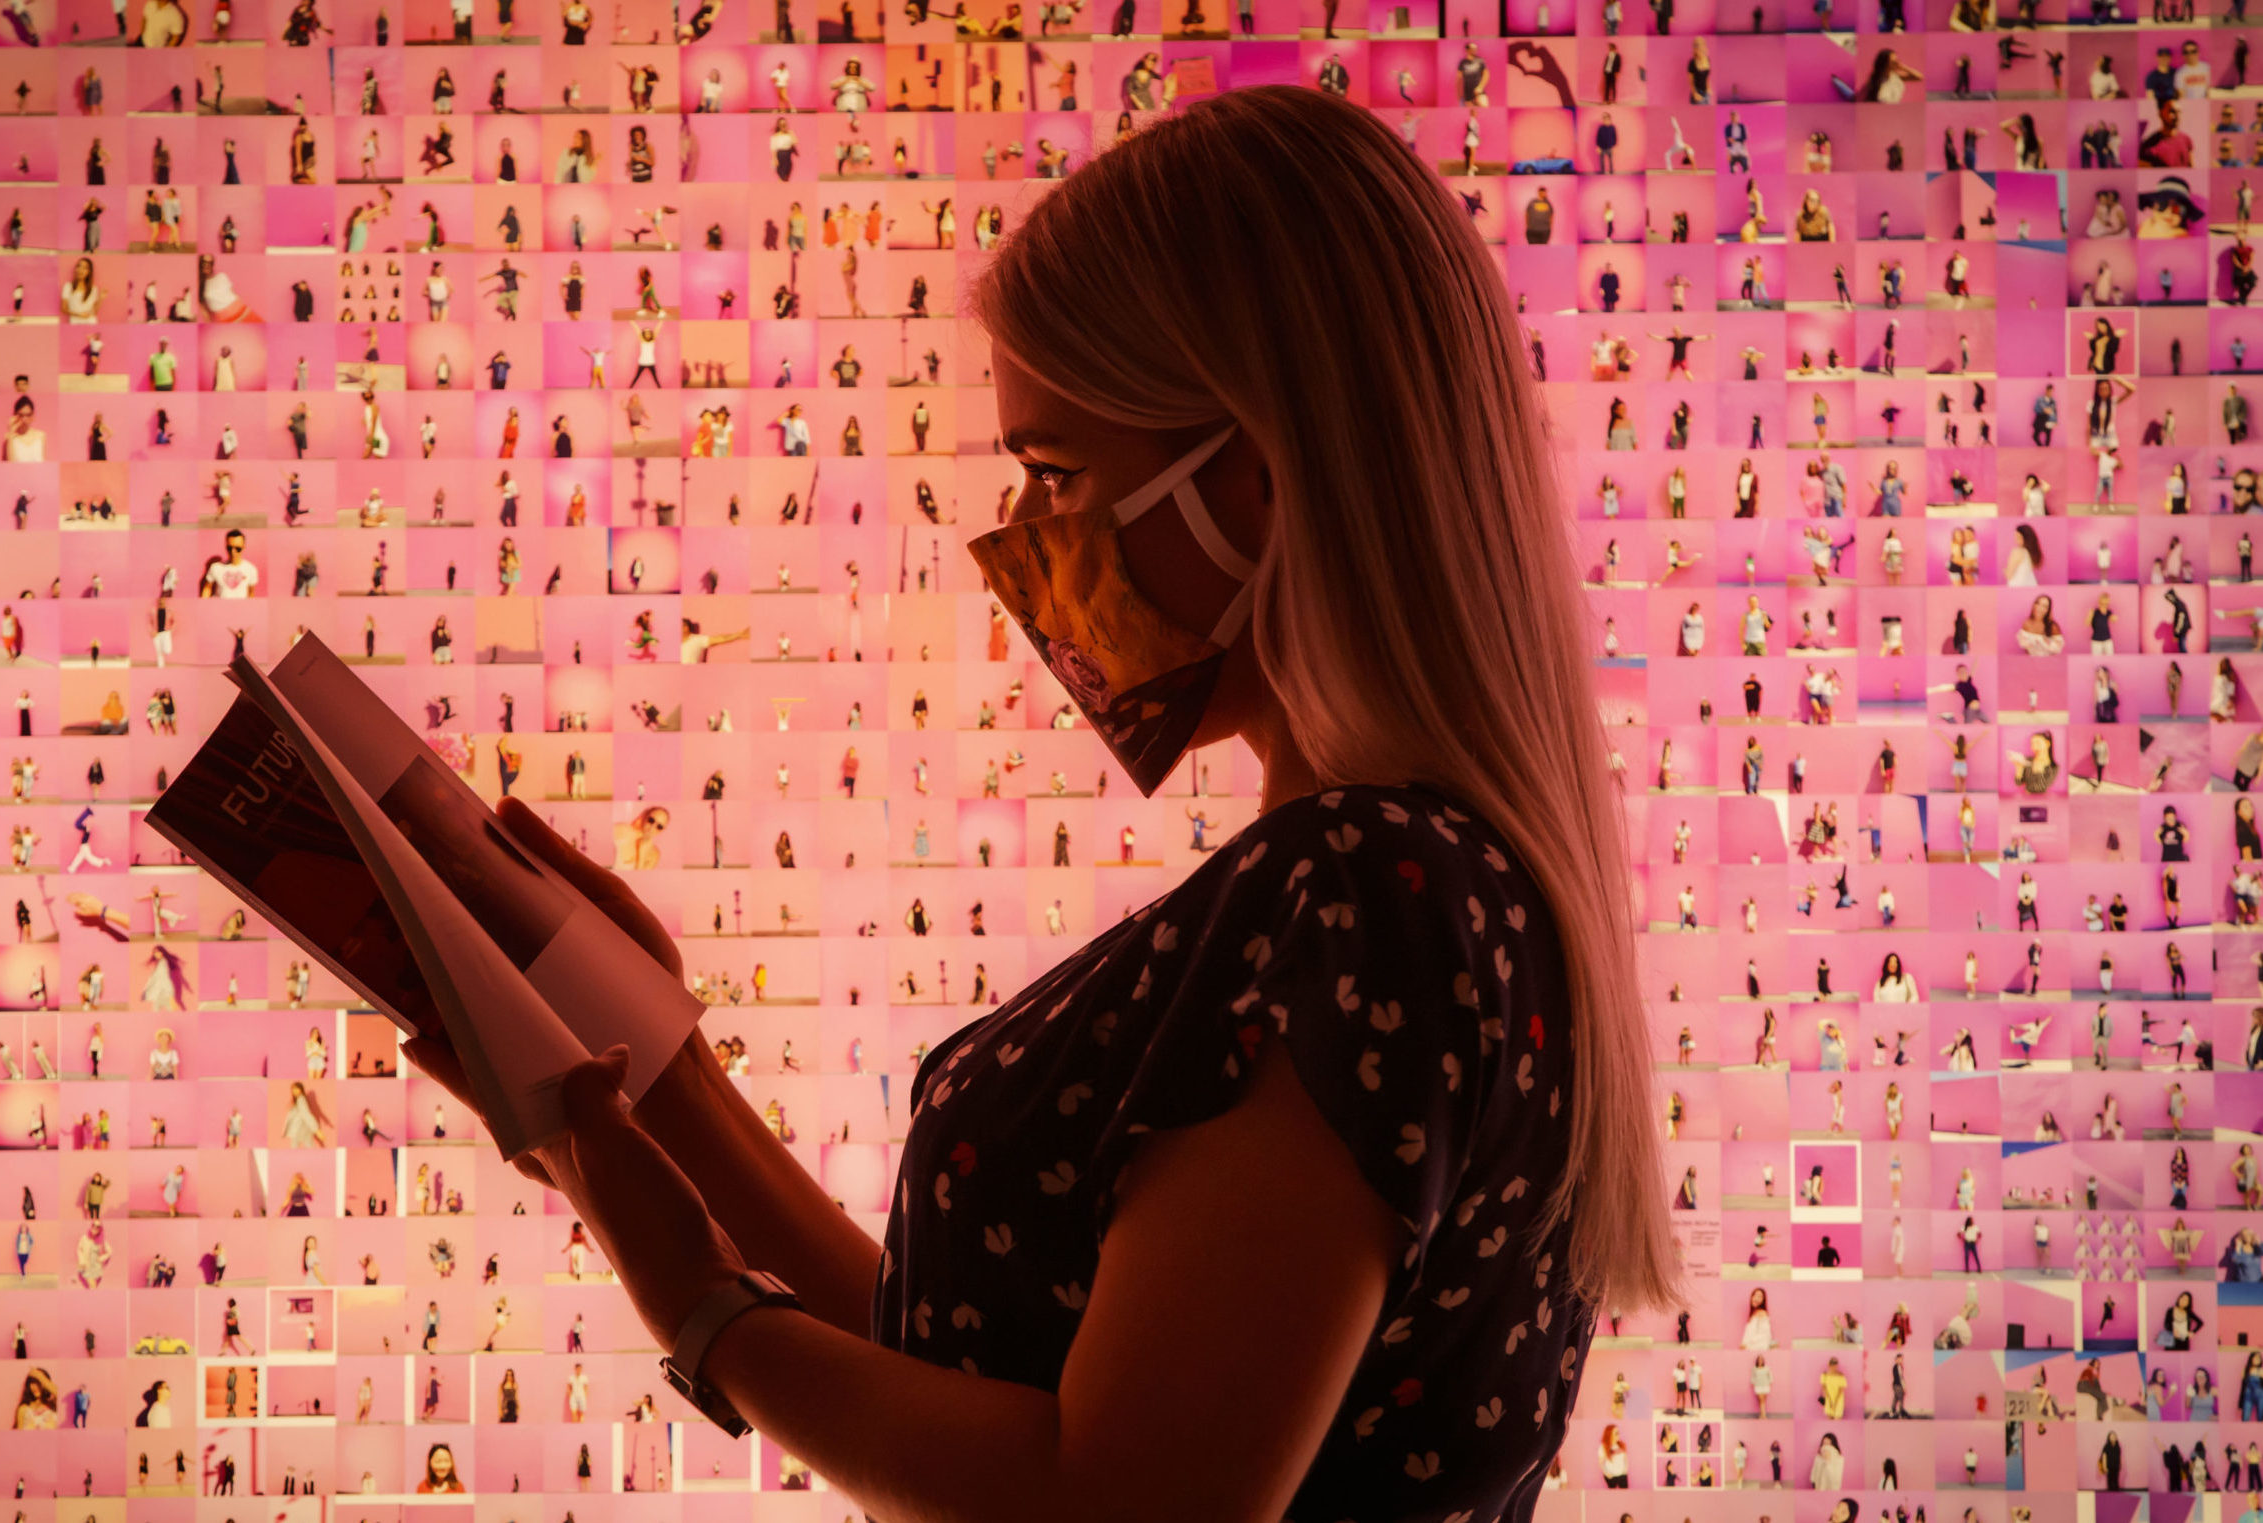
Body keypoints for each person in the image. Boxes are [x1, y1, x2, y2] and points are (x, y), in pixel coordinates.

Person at [399, 87, 1676, 1521]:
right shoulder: (1416, 887)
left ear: (1258, 480)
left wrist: (701, 1307)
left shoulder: (1358, 895)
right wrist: (666, 1091)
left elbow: (1114, 1504)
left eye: (1059, 474)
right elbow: (991, 1375)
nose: (1030, 547)